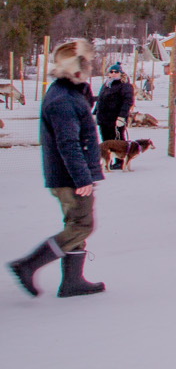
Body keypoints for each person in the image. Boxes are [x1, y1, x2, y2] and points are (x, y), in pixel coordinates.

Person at [9, 40, 106, 298]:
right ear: (77, 69)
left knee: (75, 223)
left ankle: (73, 281)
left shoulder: (67, 93)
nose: (91, 68)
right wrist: (82, 178)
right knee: (82, 225)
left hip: (70, 175)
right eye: (87, 64)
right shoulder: (63, 100)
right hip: (70, 177)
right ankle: (28, 265)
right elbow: (68, 143)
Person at [93, 61, 134, 167]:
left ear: (120, 73)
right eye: (111, 72)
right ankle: (107, 161)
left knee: (117, 141)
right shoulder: (107, 84)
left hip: (115, 119)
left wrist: (121, 116)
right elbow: (100, 100)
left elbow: (128, 101)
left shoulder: (124, 85)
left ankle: (120, 161)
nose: (113, 73)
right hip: (104, 118)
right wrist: (95, 113)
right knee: (106, 141)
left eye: (116, 72)